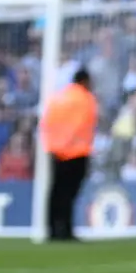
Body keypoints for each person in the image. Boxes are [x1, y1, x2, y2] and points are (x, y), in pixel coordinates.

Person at [37, 63, 97, 244]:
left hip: (56, 150)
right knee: (69, 193)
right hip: (76, 151)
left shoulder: (58, 98)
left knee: (55, 191)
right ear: (85, 81)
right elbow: (83, 124)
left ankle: (52, 229)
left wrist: (54, 145)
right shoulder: (86, 98)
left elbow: (47, 123)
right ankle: (66, 229)